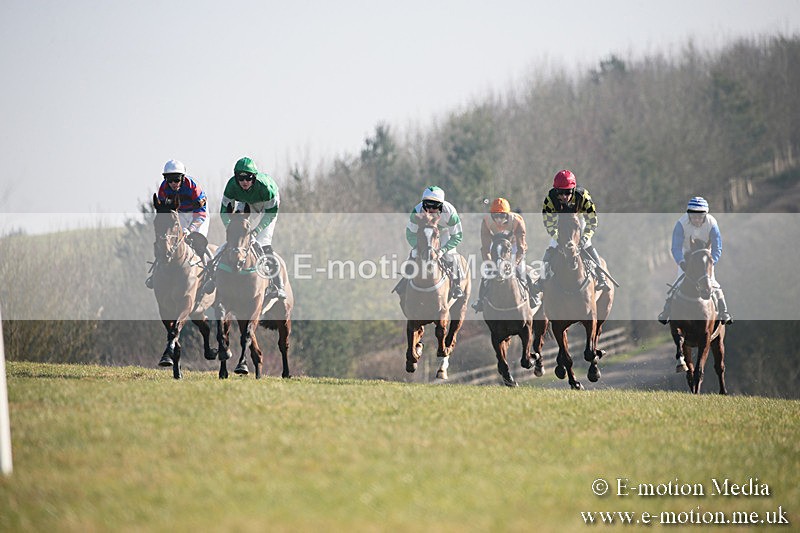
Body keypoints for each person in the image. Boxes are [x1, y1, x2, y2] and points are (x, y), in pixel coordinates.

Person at [204, 156, 286, 300]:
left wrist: (257, 230)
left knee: (263, 242)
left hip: (267, 208)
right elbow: (224, 211)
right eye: (240, 179)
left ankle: (278, 285)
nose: (244, 182)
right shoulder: (231, 186)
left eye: (248, 178)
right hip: (246, 204)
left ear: (253, 177)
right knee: (235, 240)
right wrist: (232, 228)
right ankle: (213, 276)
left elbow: (270, 214)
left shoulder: (266, 188)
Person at [528, 169, 608, 307]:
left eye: (568, 192)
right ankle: (541, 281)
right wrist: (559, 238)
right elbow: (549, 223)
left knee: (588, 245)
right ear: (556, 191)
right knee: (552, 247)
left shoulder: (583, 196)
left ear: (573, 189)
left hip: (579, 222)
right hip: (560, 225)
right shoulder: (550, 200)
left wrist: (584, 238)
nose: (564, 196)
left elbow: (592, 221)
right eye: (560, 193)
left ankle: (601, 277)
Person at [658, 197, 733, 325]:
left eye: (700, 217)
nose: (697, 220)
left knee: (712, 282)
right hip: (687, 255)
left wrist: (711, 263)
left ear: (705, 215)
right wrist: (682, 262)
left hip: (705, 256)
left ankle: (724, 311)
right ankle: (666, 311)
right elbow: (675, 247)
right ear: (688, 214)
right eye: (693, 217)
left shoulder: (712, 223)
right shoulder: (680, 224)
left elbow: (717, 247)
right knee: (678, 282)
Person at [146, 159, 210, 289]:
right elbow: (164, 214)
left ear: (182, 178)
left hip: (197, 213)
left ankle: (209, 274)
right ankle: (156, 272)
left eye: (176, 180)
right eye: (169, 180)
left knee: (198, 241)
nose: (173, 183)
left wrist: (190, 229)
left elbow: (200, 213)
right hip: (178, 213)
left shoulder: (193, 187)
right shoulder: (163, 189)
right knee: (167, 242)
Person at [398, 186, 465, 300]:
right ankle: (405, 282)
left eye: (435, 206)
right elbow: (410, 234)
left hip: (444, 234)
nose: (430, 209)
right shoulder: (416, 212)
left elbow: (457, 236)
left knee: (451, 256)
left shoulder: (450, 214)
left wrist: (443, 250)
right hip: (424, 236)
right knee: (414, 254)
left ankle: (456, 285)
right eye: (427, 204)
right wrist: (419, 247)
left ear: (441, 205)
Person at [472, 197, 535, 312]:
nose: (499, 219)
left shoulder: (517, 221)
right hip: (496, 244)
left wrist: (514, 264)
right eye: (496, 216)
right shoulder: (486, 221)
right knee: (487, 273)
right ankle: (481, 300)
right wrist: (490, 263)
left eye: (502, 216)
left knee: (521, 271)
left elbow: (521, 248)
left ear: (508, 215)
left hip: (515, 246)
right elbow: (485, 248)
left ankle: (532, 297)